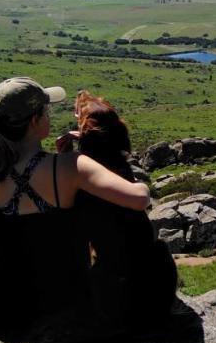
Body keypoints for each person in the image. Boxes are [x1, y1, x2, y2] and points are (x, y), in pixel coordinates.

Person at [0, 77, 150, 343]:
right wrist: (131, 175)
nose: (50, 115)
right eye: (46, 111)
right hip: (61, 299)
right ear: (35, 120)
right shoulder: (69, 168)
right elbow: (139, 199)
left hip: (3, 300)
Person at [59, 89, 177, 330]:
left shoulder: (82, 173)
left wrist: (68, 154)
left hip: (115, 289)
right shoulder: (119, 165)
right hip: (153, 287)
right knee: (158, 249)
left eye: (77, 115)